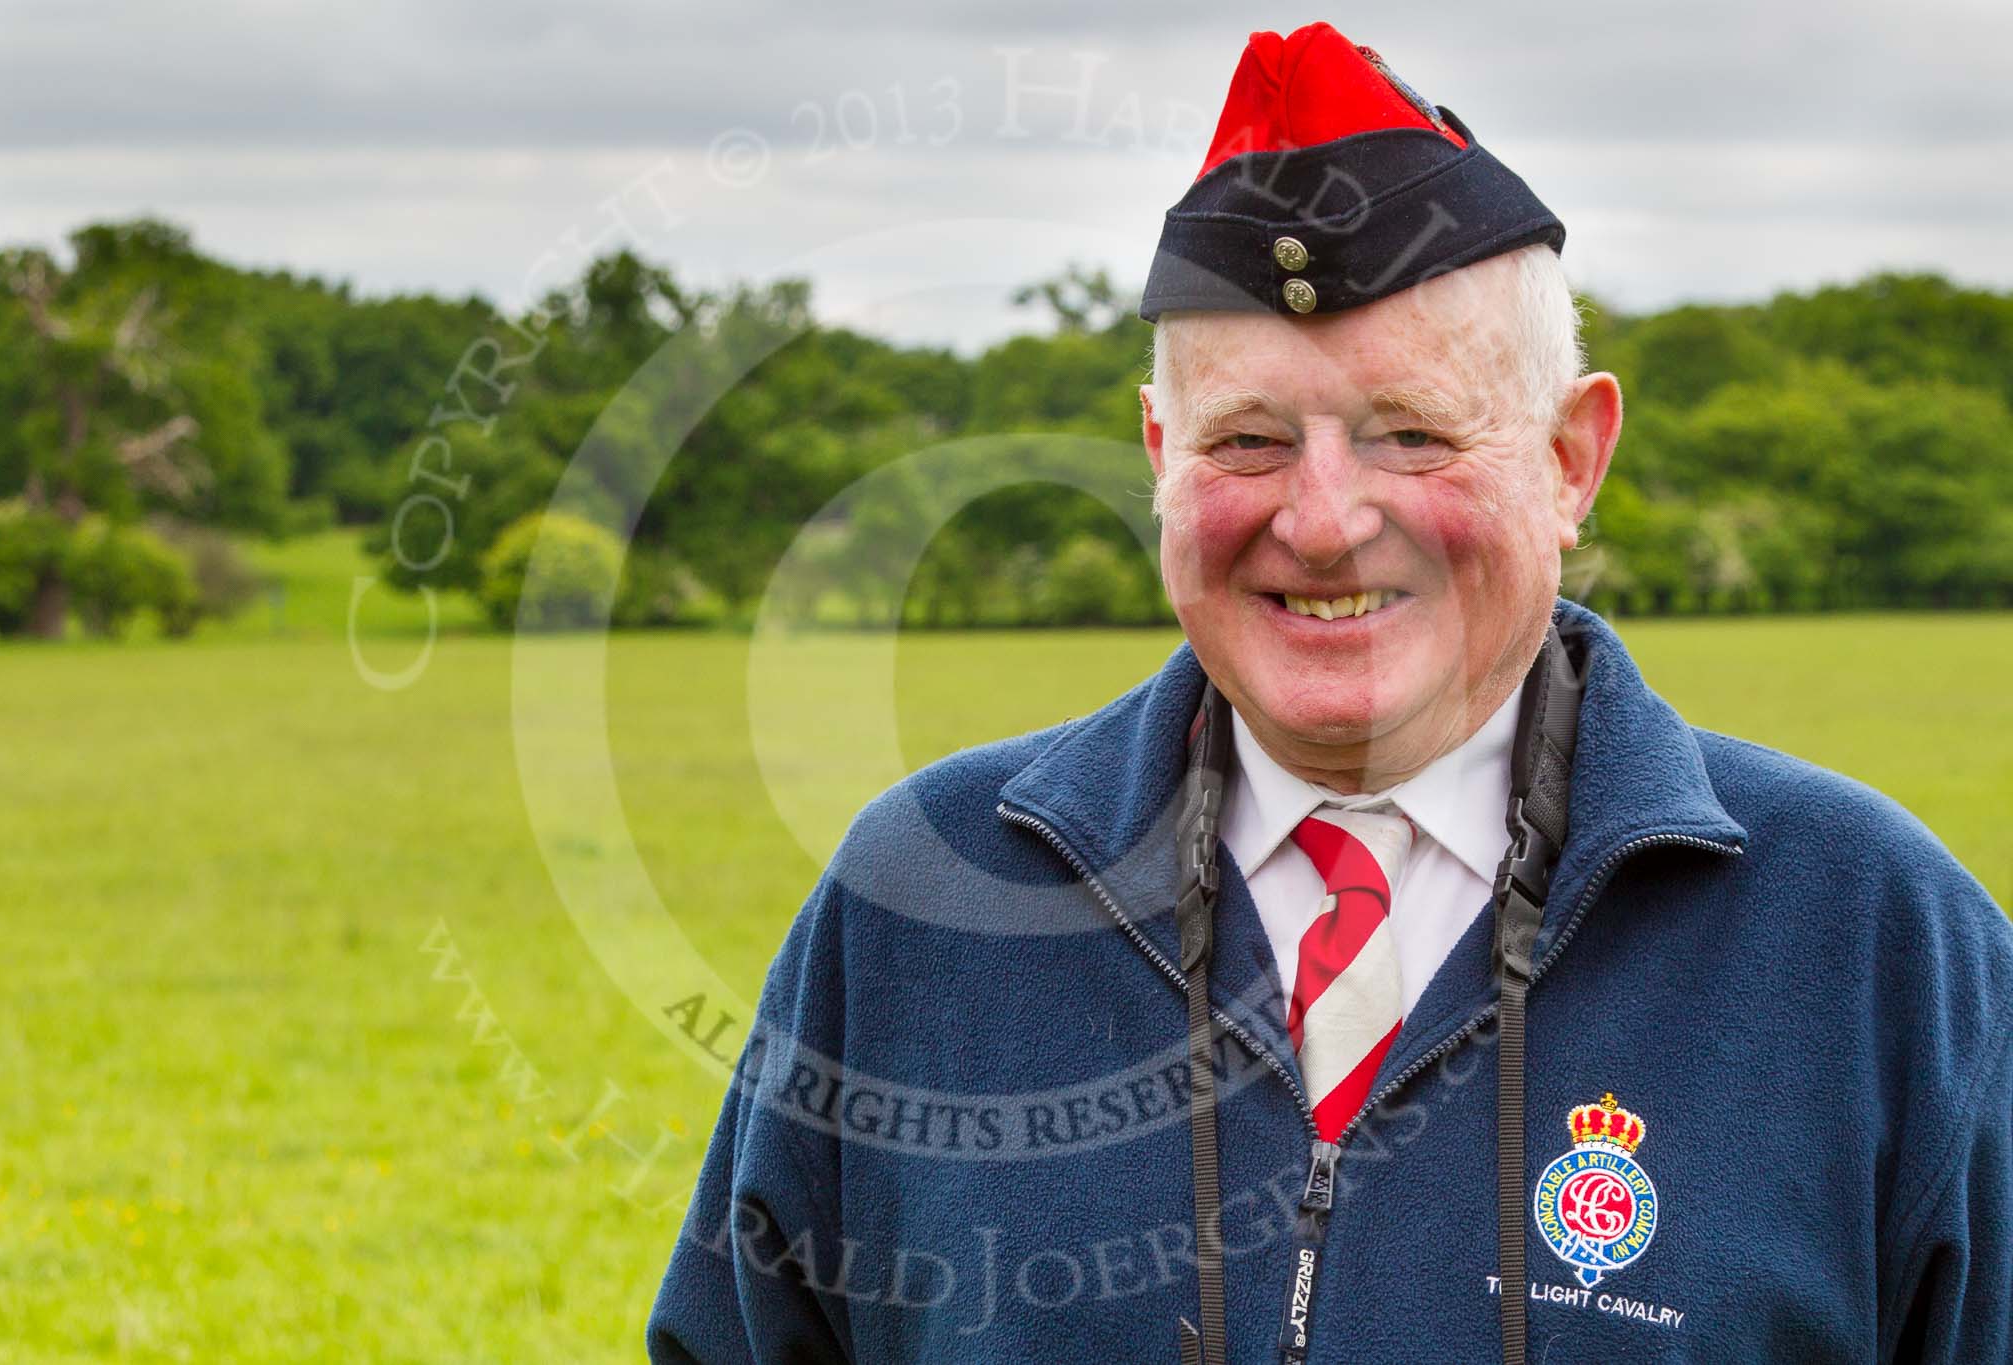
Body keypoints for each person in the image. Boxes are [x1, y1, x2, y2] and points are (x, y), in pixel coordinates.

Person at [648, 21, 2012, 1363]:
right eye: (1246, 440)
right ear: (1157, 453)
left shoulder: (1882, 945)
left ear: (1571, 458)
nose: (1322, 517)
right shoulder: (914, 904)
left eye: (1410, 434)